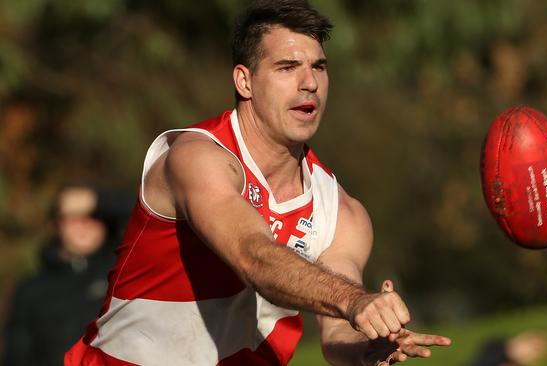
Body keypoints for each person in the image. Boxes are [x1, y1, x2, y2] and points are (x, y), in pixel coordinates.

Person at [65, 1, 451, 365]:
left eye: (319, 67)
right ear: (244, 82)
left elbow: (337, 331)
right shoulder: (196, 158)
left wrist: (367, 345)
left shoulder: (342, 212)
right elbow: (254, 256)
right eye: (287, 67)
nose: (309, 83)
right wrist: (354, 302)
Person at [2, 184, 126, 366]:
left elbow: (154, 212)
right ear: (55, 225)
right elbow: (17, 356)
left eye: (94, 216)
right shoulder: (31, 290)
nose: (84, 224)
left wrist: (100, 200)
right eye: (74, 217)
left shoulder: (121, 275)